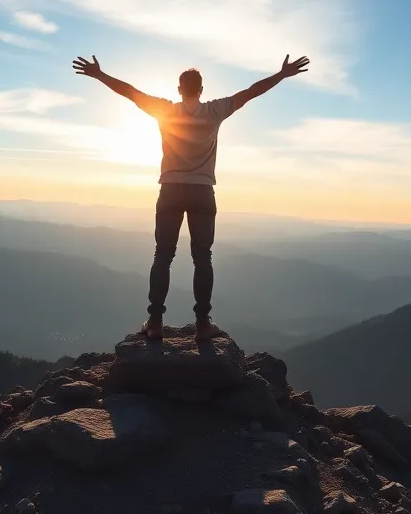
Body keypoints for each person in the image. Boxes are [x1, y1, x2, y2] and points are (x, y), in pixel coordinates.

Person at [72, 53, 310, 340]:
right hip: (202, 191)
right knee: (203, 257)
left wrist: (100, 75)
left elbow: (131, 93)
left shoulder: (165, 110)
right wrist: (281, 75)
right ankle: (202, 325)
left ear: (178, 89)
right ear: (201, 89)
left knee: (163, 255)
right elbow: (250, 93)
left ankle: (156, 323)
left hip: (171, 188)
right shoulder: (215, 111)